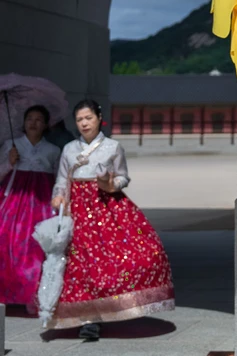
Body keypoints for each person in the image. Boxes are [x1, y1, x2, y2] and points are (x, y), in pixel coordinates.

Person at [47, 100, 174, 339]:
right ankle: (88, 319)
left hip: (107, 207)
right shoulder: (69, 149)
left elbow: (124, 177)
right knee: (81, 264)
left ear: (99, 118)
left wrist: (110, 183)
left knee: (126, 257)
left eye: (88, 118)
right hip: (79, 210)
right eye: (80, 120)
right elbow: (62, 180)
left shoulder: (113, 147)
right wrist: (58, 198)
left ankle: (110, 308)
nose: (84, 123)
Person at [0, 105, 62, 309]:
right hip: (14, 198)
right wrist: (9, 162)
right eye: (29, 119)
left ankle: (33, 294)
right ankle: (8, 293)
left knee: (39, 244)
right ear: (23, 123)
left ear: (45, 125)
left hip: (41, 200)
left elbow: (58, 178)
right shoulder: (11, 145)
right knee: (7, 241)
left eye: (38, 119)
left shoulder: (53, 150)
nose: (33, 123)